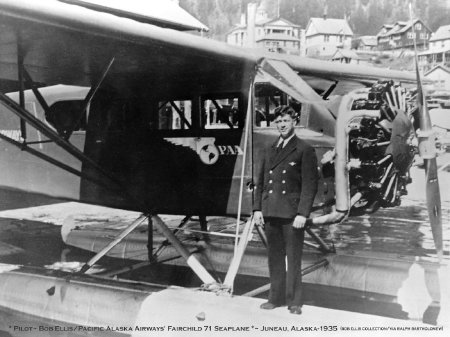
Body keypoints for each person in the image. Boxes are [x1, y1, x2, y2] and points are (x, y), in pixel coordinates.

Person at [253, 105, 319, 315]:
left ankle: (294, 301)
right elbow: (261, 181)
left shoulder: (304, 149)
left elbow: (310, 185)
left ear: (294, 122)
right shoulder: (269, 148)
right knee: (274, 258)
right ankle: (275, 298)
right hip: (270, 211)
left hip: (291, 214)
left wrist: (302, 213)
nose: (281, 125)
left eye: (286, 121)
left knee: (293, 258)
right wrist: (257, 209)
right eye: (278, 121)